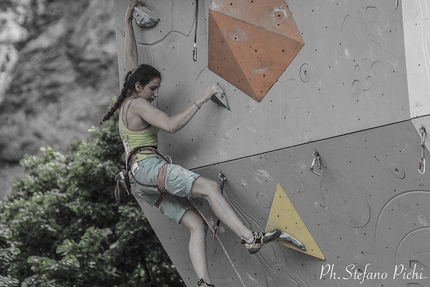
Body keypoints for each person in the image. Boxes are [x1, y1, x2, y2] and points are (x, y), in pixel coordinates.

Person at [100, 2, 281, 286]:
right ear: (139, 87)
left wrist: (127, 22)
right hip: (149, 169)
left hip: (140, 183)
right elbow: (171, 125)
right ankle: (250, 238)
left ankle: (203, 283)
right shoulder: (138, 105)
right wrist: (203, 98)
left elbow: (130, 54)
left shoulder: (128, 98)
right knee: (209, 188)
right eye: (153, 88)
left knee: (197, 226)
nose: (156, 93)